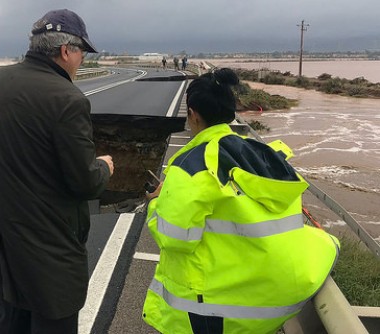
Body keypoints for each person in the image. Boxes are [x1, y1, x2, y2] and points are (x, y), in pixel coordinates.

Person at [142, 68, 339, 334]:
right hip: (270, 304)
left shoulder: (192, 166)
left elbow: (175, 237)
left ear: (193, 114)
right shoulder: (262, 154)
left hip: (218, 312)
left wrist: (156, 202)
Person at [0, 9, 114, 334]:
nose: (82, 62)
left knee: (10, 314)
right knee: (54, 318)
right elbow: (85, 182)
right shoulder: (68, 99)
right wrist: (104, 167)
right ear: (66, 51)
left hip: (5, 235)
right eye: (82, 53)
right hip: (51, 245)